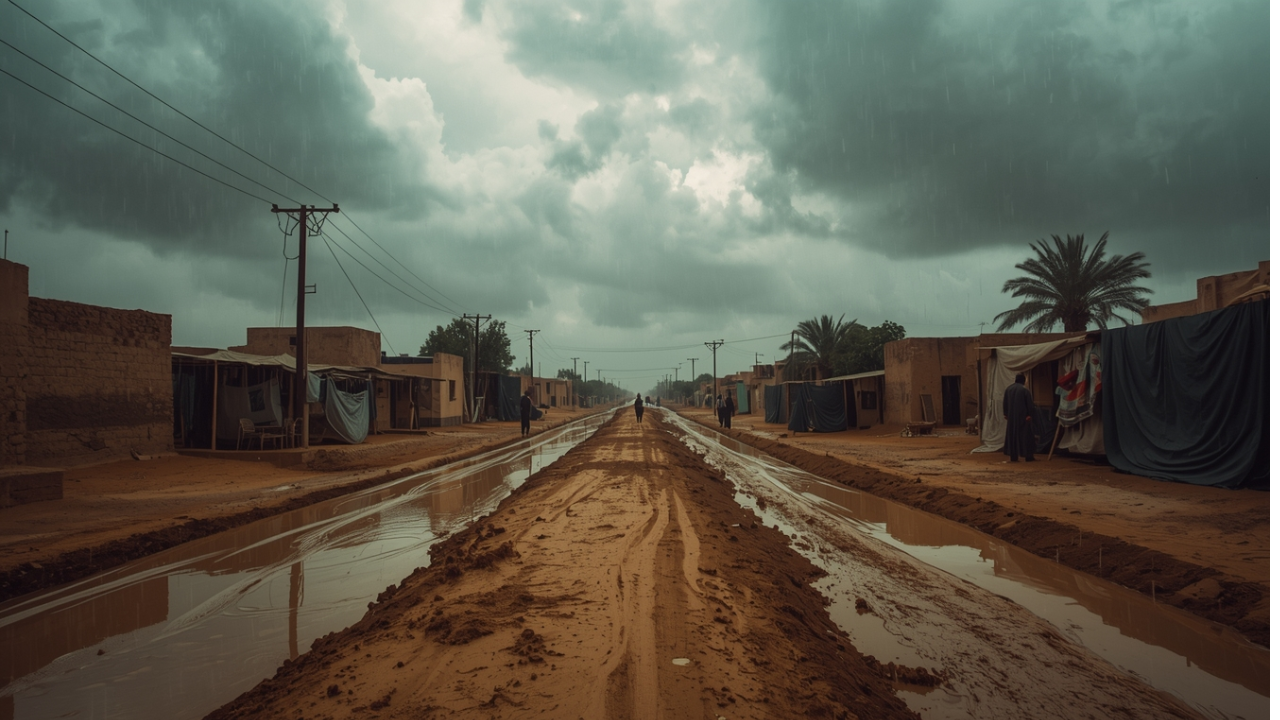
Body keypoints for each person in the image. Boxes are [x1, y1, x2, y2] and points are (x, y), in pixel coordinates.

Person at [1002, 372, 1035, 462]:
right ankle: (1028, 456)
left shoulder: (1008, 389)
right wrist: (1029, 415)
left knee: (1012, 436)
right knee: (1026, 436)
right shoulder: (1025, 390)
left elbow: (1005, 403)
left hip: (1011, 418)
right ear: (1023, 380)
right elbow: (1030, 405)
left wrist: (1006, 414)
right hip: (1023, 417)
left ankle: (1013, 457)